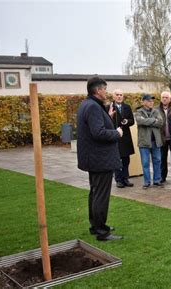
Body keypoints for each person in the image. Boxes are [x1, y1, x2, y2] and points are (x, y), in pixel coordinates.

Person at [76, 77, 123, 241]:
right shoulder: (93, 107)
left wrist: (107, 117)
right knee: (101, 195)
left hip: (93, 158)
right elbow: (99, 133)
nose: (106, 91)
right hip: (100, 159)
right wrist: (117, 133)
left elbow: (95, 127)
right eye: (104, 88)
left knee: (95, 192)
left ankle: (95, 226)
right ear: (97, 90)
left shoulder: (87, 104)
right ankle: (102, 231)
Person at [107, 89, 135, 188]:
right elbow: (105, 121)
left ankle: (125, 178)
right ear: (113, 96)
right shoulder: (109, 107)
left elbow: (132, 121)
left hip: (126, 136)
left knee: (126, 159)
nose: (119, 96)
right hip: (115, 136)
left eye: (121, 95)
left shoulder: (127, 107)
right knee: (117, 159)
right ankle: (118, 179)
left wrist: (127, 121)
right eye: (117, 95)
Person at [135, 94, 164, 189]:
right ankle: (147, 182)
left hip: (156, 141)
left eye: (152, 101)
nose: (151, 102)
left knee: (157, 161)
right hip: (144, 142)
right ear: (143, 102)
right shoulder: (139, 112)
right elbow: (140, 121)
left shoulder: (156, 111)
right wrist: (153, 120)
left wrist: (147, 121)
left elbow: (160, 122)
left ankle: (157, 181)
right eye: (149, 101)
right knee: (145, 163)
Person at [158, 91, 171, 183]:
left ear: (170, 99)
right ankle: (162, 177)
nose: (164, 99)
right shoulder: (156, 110)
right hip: (162, 138)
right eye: (163, 97)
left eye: (166, 97)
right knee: (162, 158)